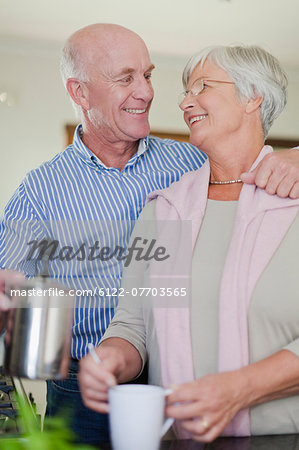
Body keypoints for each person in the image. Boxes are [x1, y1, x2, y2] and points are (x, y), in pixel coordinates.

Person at [0, 24, 299, 444]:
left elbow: (245, 155)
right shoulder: (43, 190)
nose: (146, 92)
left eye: (148, 75)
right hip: (92, 379)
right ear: (80, 93)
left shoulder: (189, 160)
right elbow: (12, 289)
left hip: (190, 391)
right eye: (126, 78)